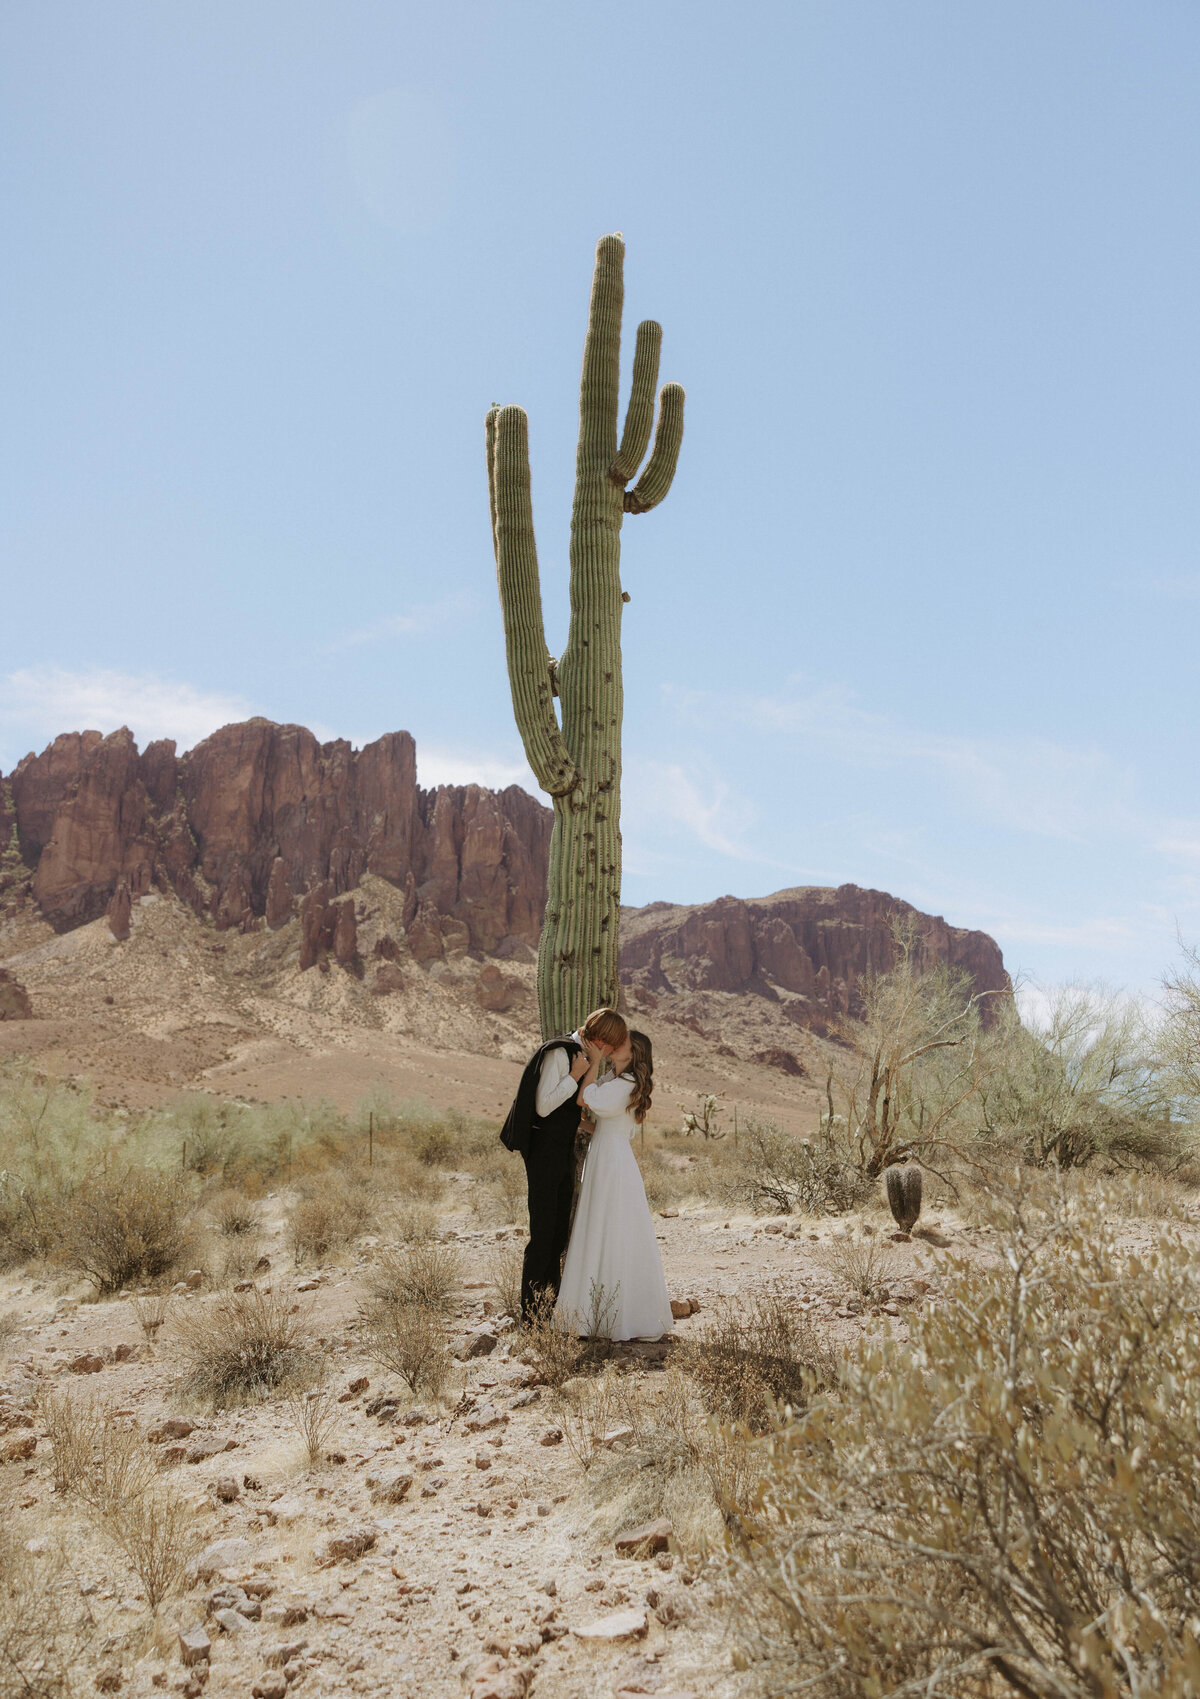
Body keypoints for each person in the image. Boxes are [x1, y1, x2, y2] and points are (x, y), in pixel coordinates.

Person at [502, 1007, 629, 1323]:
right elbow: (545, 1106)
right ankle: (532, 1318)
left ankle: (550, 1308)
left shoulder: (583, 1059)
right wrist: (576, 1075)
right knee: (543, 1234)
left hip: (561, 1152)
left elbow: (567, 1113)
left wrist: (595, 1128)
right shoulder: (560, 1054)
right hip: (543, 1153)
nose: (612, 1052)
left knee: (558, 1234)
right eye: (611, 1046)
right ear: (600, 1040)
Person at [554, 1030, 673, 1342]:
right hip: (606, 1155)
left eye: (621, 1044)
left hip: (612, 1162)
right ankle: (596, 1315)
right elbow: (605, 1124)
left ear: (632, 1054)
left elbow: (584, 1098)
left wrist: (591, 1060)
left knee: (610, 1228)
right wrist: (575, 1122)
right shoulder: (615, 1080)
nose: (614, 1045)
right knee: (603, 1227)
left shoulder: (626, 1084)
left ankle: (617, 1318)